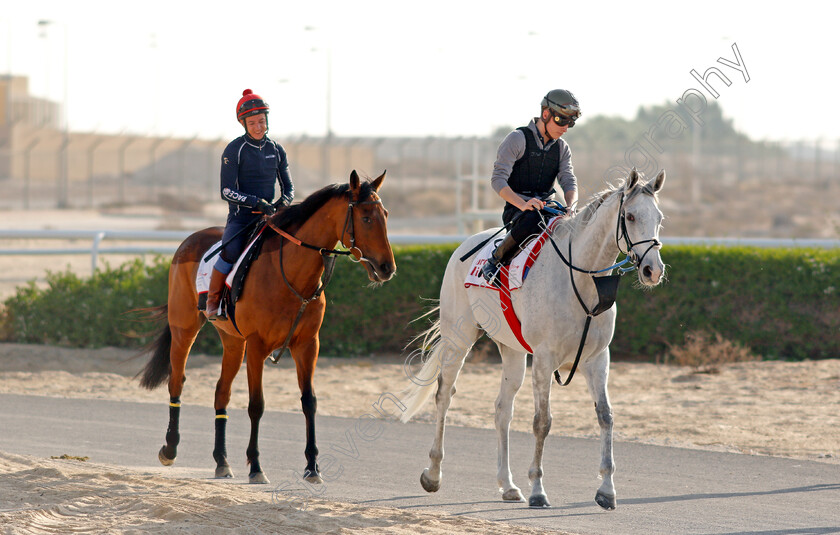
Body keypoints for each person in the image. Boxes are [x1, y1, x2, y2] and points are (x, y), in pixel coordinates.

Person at [205, 89, 295, 320]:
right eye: (253, 123)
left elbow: (289, 187)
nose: (258, 127)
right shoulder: (234, 149)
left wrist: (283, 202)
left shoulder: (277, 149)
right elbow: (226, 191)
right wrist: (257, 202)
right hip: (241, 218)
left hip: (271, 217)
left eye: (262, 121)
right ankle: (214, 300)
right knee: (231, 251)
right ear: (244, 124)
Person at [481, 89, 581, 284]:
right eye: (562, 121)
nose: (566, 128)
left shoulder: (562, 148)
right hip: (519, 212)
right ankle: (495, 260)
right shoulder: (517, 138)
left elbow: (569, 181)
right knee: (534, 217)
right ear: (546, 114)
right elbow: (498, 180)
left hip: (548, 209)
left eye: (570, 123)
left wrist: (572, 207)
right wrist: (522, 204)